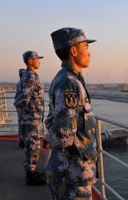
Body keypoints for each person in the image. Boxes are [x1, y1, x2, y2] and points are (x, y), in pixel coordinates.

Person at [44, 27, 98, 199]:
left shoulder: (63, 78)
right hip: (73, 176)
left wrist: (49, 136)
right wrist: (51, 138)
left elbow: (51, 119)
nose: (89, 54)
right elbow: (63, 137)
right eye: (86, 48)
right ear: (74, 51)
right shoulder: (70, 83)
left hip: (69, 172)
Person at [15, 51, 46, 185]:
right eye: (37, 59)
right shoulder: (30, 76)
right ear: (30, 61)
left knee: (31, 144)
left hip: (31, 116)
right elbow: (25, 98)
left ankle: (31, 171)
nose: (39, 61)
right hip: (30, 117)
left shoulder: (29, 75)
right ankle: (30, 176)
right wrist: (18, 104)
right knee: (33, 145)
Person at [14, 68, 26, 148]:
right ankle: (24, 140)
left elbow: (16, 96)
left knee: (20, 124)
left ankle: (21, 140)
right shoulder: (24, 84)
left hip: (19, 107)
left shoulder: (18, 83)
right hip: (23, 107)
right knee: (25, 124)